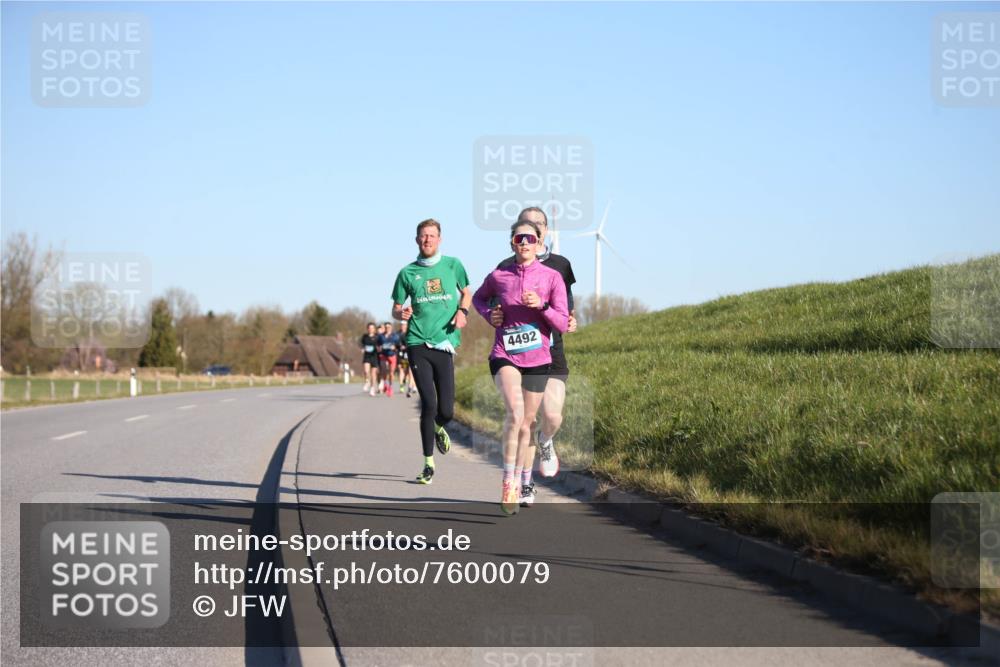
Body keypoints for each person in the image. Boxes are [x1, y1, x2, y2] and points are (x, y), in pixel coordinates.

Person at [473, 220, 569, 515]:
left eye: (529, 238)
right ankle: (508, 481)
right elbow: (478, 298)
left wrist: (542, 306)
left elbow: (563, 322)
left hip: (539, 359)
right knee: (515, 415)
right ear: (511, 243)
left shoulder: (552, 277)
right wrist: (490, 315)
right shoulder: (499, 275)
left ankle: (525, 478)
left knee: (528, 422)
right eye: (518, 238)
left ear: (539, 243)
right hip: (505, 354)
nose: (524, 243)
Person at [493, 207, 577, 505]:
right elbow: (494, 303)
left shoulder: (560, 265)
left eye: (538, 226)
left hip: (551, 351)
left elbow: (566, 305)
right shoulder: (506, 267)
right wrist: (492, 315)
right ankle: (525, 484)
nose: (531, 234)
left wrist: (570, 318)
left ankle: (546, 440)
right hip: (517, 353)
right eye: (525, 229)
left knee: (552, 416)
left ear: (545, 232)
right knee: (524, 418)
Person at [391, 219, 472, 485]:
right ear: (417, 240)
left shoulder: (453, 265)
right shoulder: (407, 273)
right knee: (429, 403)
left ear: (440, 239)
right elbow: (396, 308)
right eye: (423, 236)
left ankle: (438, 427)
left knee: (446, 410)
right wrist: (400, 313)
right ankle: (428, 464)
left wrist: (463, 312)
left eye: (432, 235)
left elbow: (467, 293)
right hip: (417, 342)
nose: (427, 240)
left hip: (444, 342)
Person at [377, 321, 401, 397]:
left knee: (391, 373)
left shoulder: (395, 336)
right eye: (386, 327)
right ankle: (385, 383)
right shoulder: (381, 336)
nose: (387, 328)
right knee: (384, 370)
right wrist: (379, 348)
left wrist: (395, 347)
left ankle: (390, 387)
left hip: (392, 355)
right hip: (383, 355)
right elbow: (377, 345)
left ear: (391, 328)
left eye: (389, 327)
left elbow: (399, 346)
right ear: (384, 328)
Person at [359, 322, 380, 397]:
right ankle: (367, 381)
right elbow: (361, 344)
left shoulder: (377, 337)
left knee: (373, 373)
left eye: (372, 328)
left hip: (374, 356)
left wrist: (379, 348)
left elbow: (380, 345)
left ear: (374, 329)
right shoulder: (365, 336)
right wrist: (362, 348)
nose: (370, 329)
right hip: (367, 356)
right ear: (367, 329)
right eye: (369, 328)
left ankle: (372, 388)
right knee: (366, 371)